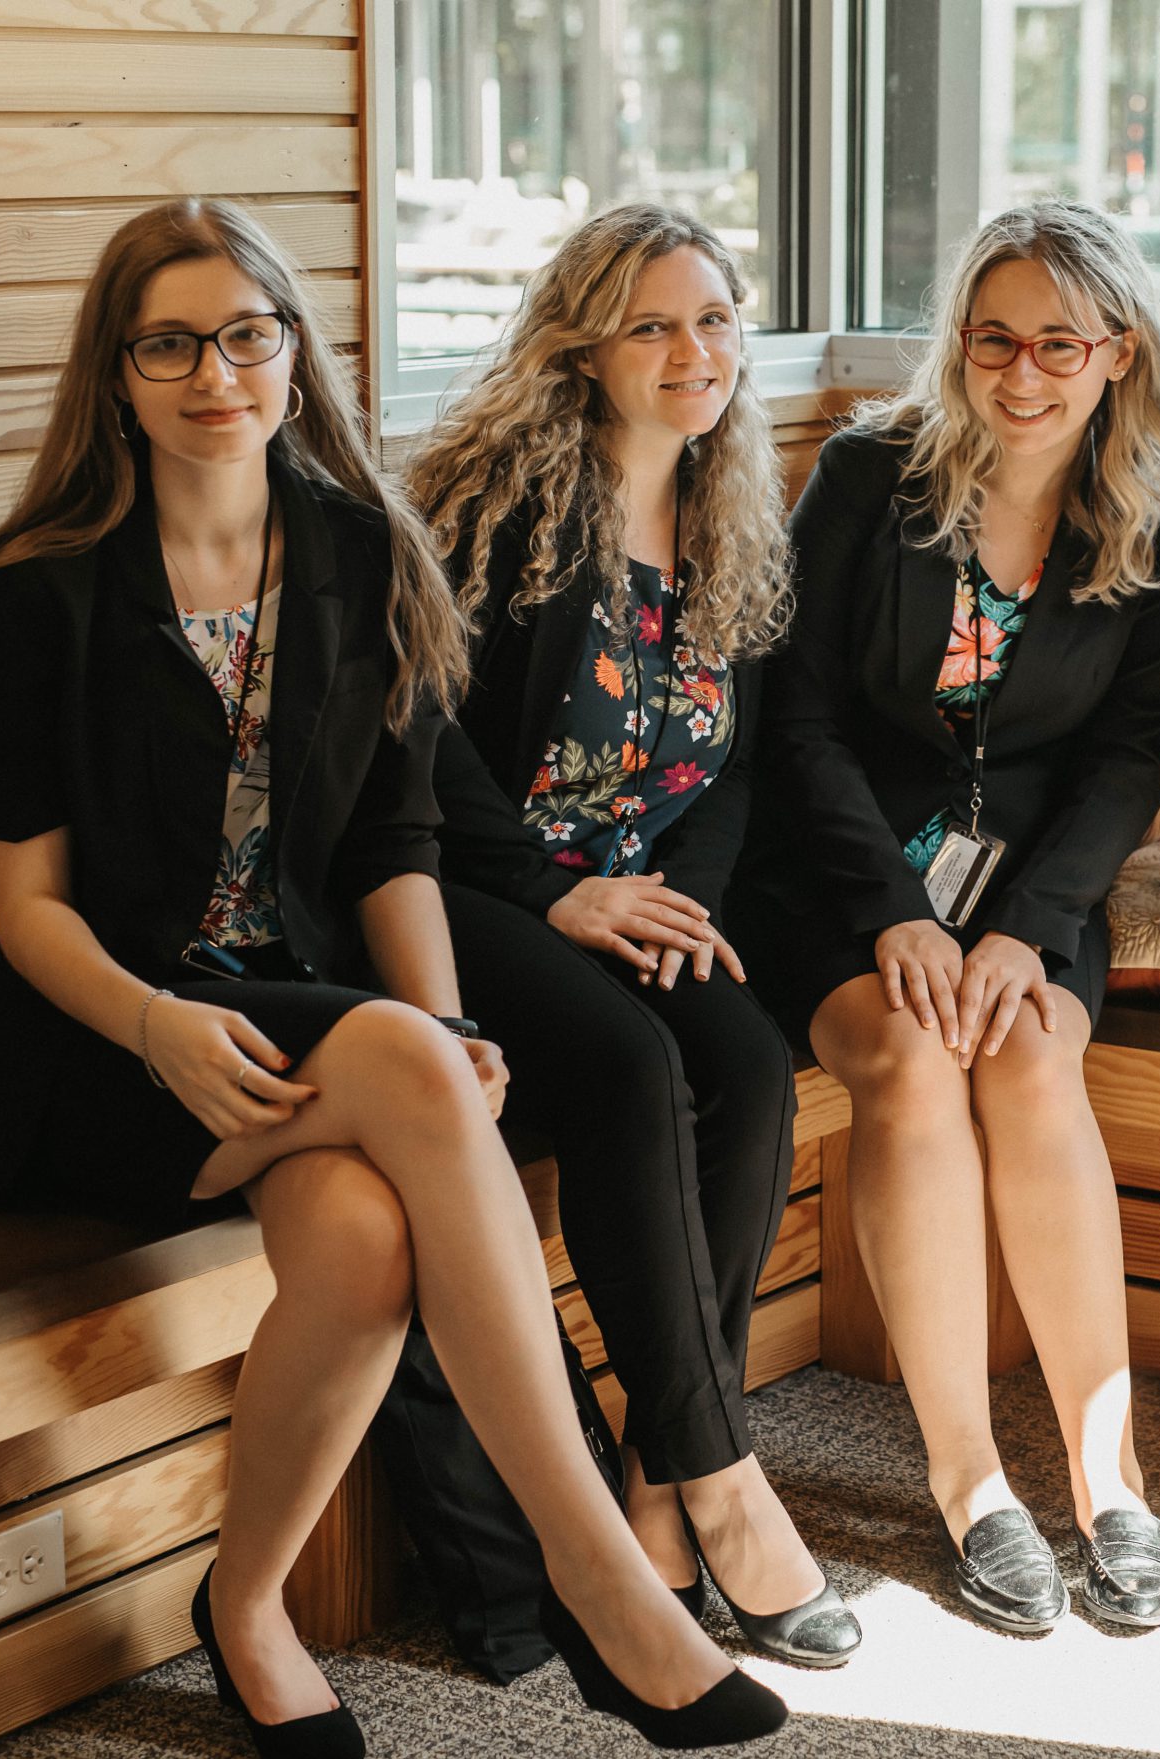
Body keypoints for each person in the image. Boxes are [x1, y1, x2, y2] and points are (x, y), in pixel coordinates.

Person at [0, 197, 784, 1759]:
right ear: (117, 375)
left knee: (367, 1239)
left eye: (248, 333)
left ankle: (241, 1607)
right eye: (169, 343)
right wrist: (163, 1024)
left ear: (294, 354)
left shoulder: (360, 549)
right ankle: (599, 1573)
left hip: (290, 1013)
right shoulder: (49, 592)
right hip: (89, 1044)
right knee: (416, 1070)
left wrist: (439, 1017)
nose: (215, 372)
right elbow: (26, 911)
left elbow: (396, 838)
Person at [399, 204, 858, 1667]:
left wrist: (683, 908)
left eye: (715, 320)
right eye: (655, 324)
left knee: (745, 1060)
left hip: (639, 889)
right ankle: (726, 1487)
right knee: (632, 1069)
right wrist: (554, 897)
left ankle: (663, 1475)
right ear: (581, 343)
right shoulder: (494, 512)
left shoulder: (736, 514)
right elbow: (418, 752)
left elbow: (730, 765)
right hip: (472, 895)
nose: (695, 352)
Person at [732, 200, 1160, 1634]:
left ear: (1116, 351)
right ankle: (971, 1480)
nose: (1024, 373)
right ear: (960, 345)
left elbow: (1127, 755)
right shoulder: (872, 476)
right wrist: (891, 914)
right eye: (995, 339)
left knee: (1036, 1054)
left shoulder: (1152, 513)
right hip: (836, 870)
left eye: (1060, 342)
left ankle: (1109, 1477)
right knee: (915, 1063)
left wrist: (1028, 930)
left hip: (1030, 886)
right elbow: (791, 715)